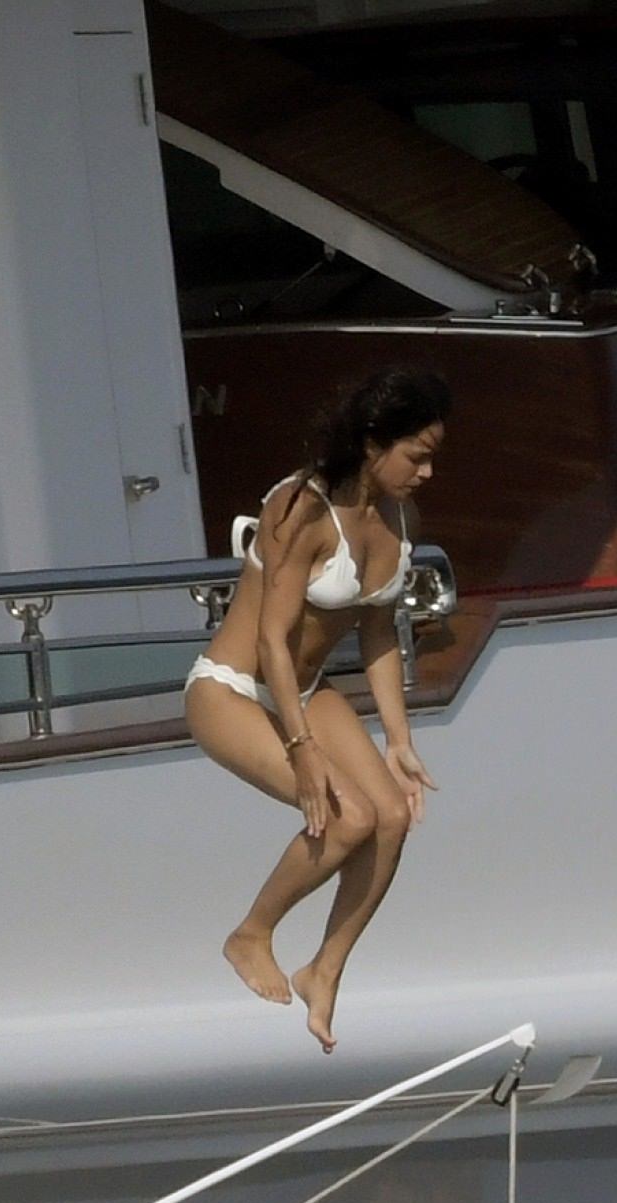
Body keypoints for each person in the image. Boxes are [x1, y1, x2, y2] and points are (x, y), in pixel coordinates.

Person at [186, 367, 448, 1050]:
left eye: (431, 458)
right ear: (372, 443)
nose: (425, 472)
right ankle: (250, 934)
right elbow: (272, 639)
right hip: (232, 688)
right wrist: (304, 753)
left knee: (389, 814)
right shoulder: (299, 506)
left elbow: (376, 633)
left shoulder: (398, 517)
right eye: (416, 456)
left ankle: (323, 970)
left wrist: (397, 738)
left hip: (304, 691)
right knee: (345, 816)